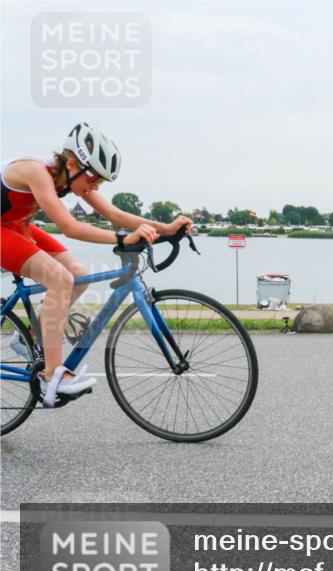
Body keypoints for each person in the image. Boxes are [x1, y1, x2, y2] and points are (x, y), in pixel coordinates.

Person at [1, 122, 192, 406]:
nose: (95, 186)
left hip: (16, 225)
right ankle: (53, 377)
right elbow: (69, 227)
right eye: (93, 178)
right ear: (71, 163)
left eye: (100, 182)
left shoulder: (72, 177)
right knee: (60, 279)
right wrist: (122, 240)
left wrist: (166, 228)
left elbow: (115, 214)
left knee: (78, 276)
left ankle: (28, 336)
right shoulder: (35, 171)